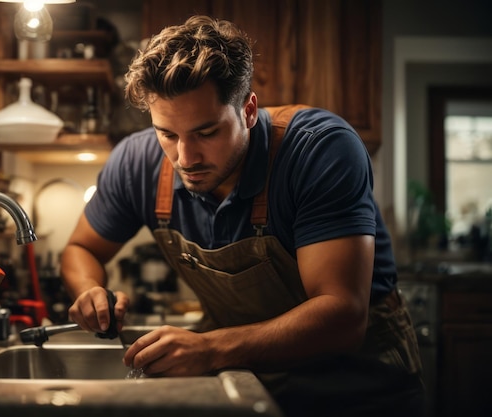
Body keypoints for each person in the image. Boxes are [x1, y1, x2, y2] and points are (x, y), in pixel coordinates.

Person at [61, 15, 424, 417]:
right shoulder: (135, 162)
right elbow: (81, 249)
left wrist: (211, 347)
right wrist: (89, 290)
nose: (186, 158)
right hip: (248, 382)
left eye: (207, 132)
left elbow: (342, 315)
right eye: (167, 133)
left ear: (248, 111)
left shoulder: (319, 149)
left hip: (361, 388)